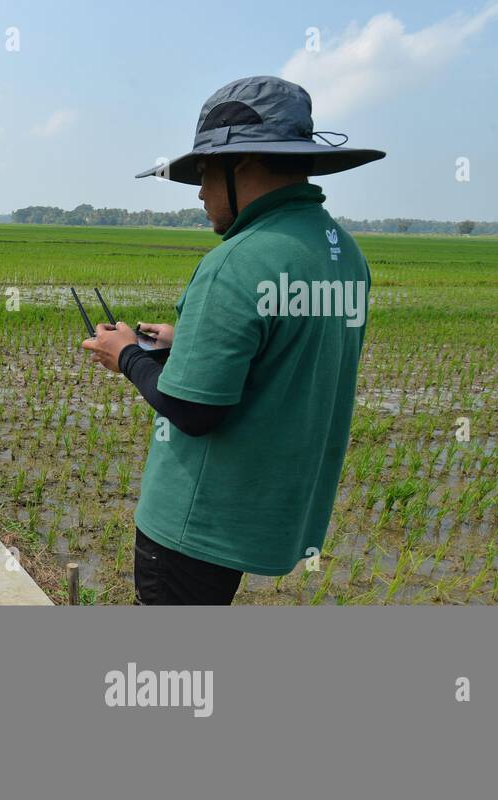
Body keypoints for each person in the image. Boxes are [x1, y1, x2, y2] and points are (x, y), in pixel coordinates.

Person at [81, 76, 385, 605]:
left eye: (203, 173)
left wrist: (126, 354)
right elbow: (286, 346)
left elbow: (193, 410)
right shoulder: (341, 252)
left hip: (195, 522)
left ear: (241, 165)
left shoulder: (236, 261)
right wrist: (190, 339)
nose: (199, 192)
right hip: (263, 509)